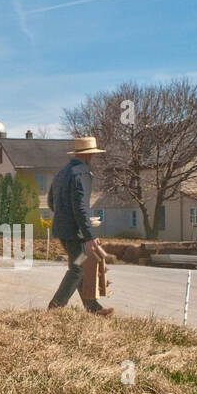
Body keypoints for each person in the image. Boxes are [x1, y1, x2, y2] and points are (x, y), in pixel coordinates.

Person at [47, 135, 113, 316]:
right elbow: (81, 208)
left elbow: (52, 202)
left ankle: (93, 308)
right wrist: (89, 235)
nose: (94, 157)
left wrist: (65, 218)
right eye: (93, 154)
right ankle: (55, 308)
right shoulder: (82, 173)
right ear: (89, 155)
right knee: (78, 268)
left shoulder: (61, 173)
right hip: (76, 233)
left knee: (79, 267)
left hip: (63, 230)